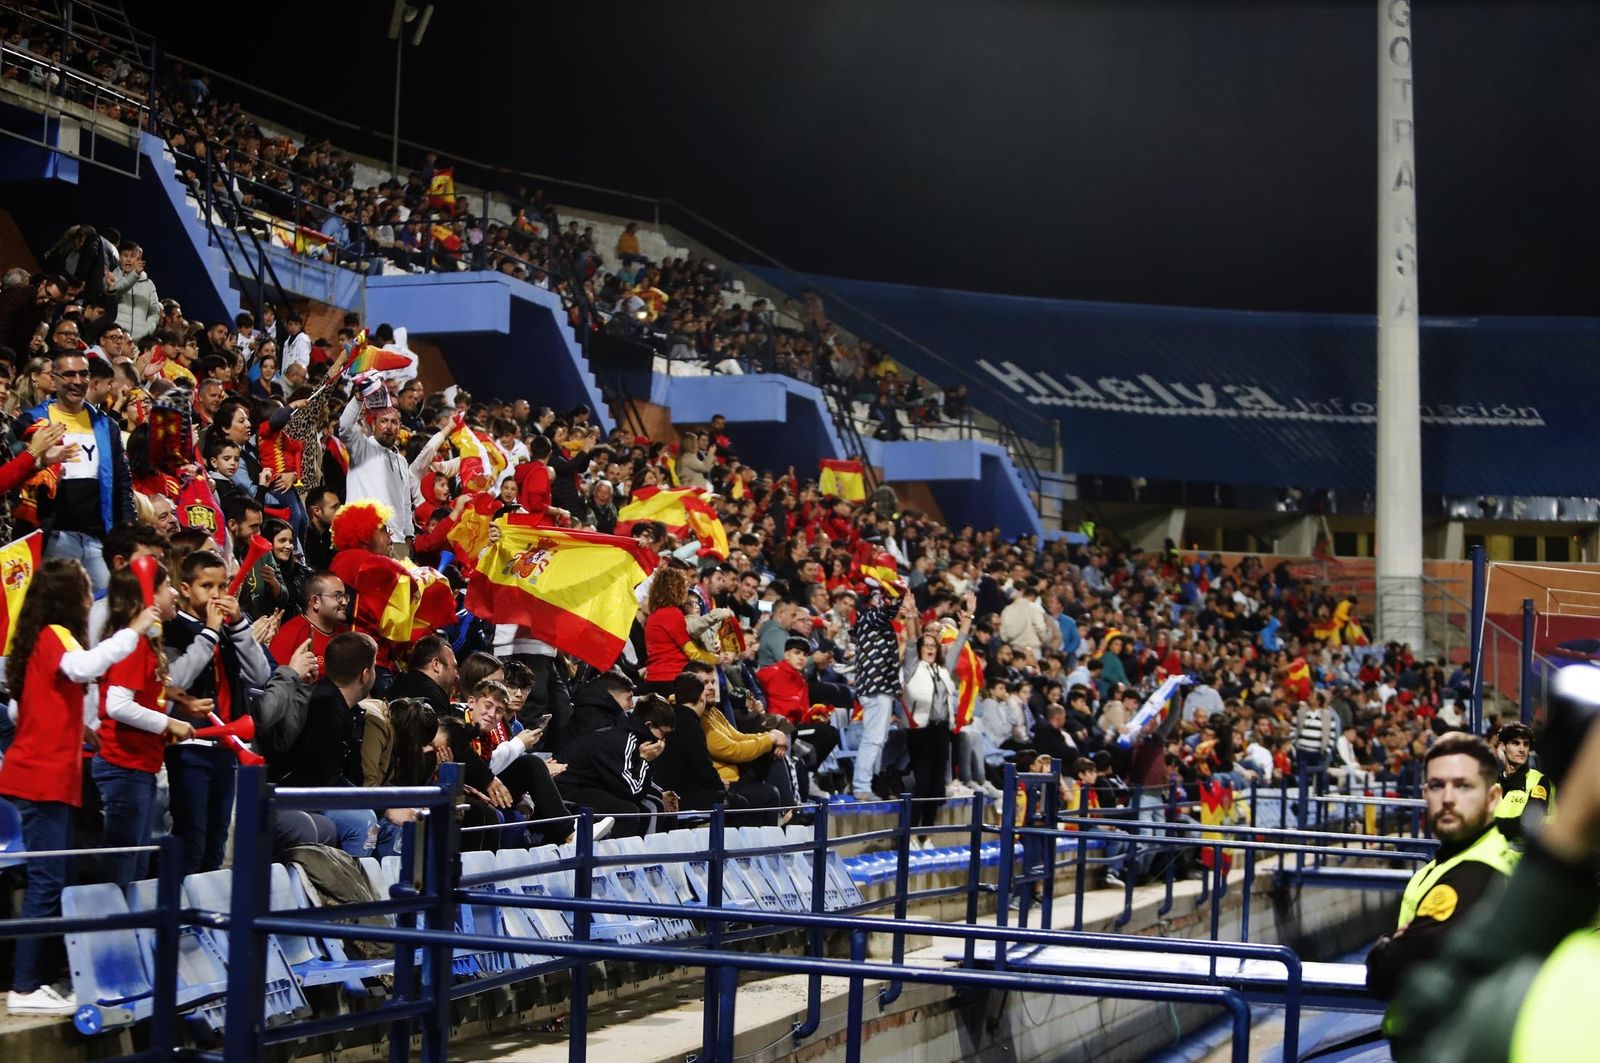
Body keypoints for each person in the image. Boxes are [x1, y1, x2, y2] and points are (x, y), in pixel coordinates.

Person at [0, 558, 156, 1015]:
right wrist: (133, 630)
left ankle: (40, 979)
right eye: (87, 587)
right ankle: (26, 987)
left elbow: (18, 713)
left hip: (41, 777)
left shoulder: (36, 640)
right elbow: (84, 667)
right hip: (42, 780)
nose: (93, 596)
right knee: (49, 884)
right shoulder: (55, 635)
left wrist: (71, 727)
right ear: (69, 595)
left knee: (57, 880)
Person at [1365, 734, 1517, 1003]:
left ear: (1493, 797)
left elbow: (1388, 974)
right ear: (1425, 794)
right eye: (1436, 786)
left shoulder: (1477, 872)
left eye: (1463, 786)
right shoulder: (1444, 865)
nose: (1447, 798)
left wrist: (1384, 948)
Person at [162, 549, 272, 873]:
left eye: (222, 587)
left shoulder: (228, 627)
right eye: (206, 587)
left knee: (216, 845)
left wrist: (238, 625)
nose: (217, 595)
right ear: (185, 589)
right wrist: (208, 633)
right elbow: (174, 679)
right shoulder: (173, 628)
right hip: (188, 748)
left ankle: (205, 918)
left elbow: (260, 675)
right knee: (191, 841)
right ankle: (181, 918)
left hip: (227, 750)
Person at [92, 562, 195, 889]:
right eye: (167, 586)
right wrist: (170, 722)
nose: (176, 592)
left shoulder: (144, 640)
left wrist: (174, 710)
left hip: (136, 768)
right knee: (121, 875)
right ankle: (111, 940)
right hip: (123, 769)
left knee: (133, 872)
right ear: (148, 597)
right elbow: (117, 705)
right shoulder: (133, 642)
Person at [20, 350, 138, 592]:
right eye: (69, 374)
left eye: (83, 374)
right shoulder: (30, 421)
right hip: (51, 538)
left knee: (109, 608)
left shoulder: (107, 426)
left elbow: (123, 483)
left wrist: (127, 527)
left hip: (98, 540)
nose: (77, 381)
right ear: (54, 379)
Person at [555, 694, 679, 836]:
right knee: (628, 811)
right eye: (664, 733)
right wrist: (646, 760)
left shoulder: (634, 734)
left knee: (655, 804)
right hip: (567, 787)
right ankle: (617, 856)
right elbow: (632, 791)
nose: (663, 740)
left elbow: (626, 778)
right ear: (649, 725)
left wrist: (659, 792)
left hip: (592, 784)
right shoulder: (624, 739)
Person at [1492, 721, 1550, 845]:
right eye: (1515, 743)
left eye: (1526, 744)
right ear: (1502, 746)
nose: (1522, 749)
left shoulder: (1539, 781)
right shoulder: (1491, 782)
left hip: (1526, 859)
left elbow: (1529, 824)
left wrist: (1490, 827)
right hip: (1493, 856)